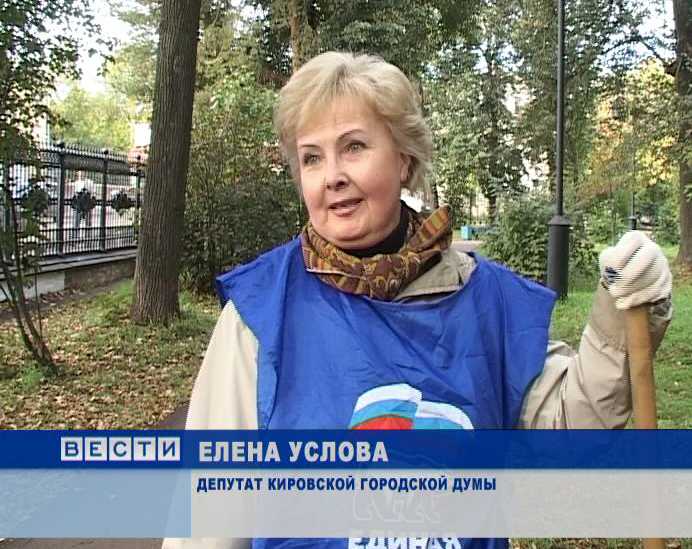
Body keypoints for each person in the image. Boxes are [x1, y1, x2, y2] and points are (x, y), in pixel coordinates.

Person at [163, 52, 672, 549]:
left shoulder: (489, 302)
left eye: (354, 147)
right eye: (312, 157)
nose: (332, 175)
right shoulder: (261, 312)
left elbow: (571, 436)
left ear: (404, 159)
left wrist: (620, 315)